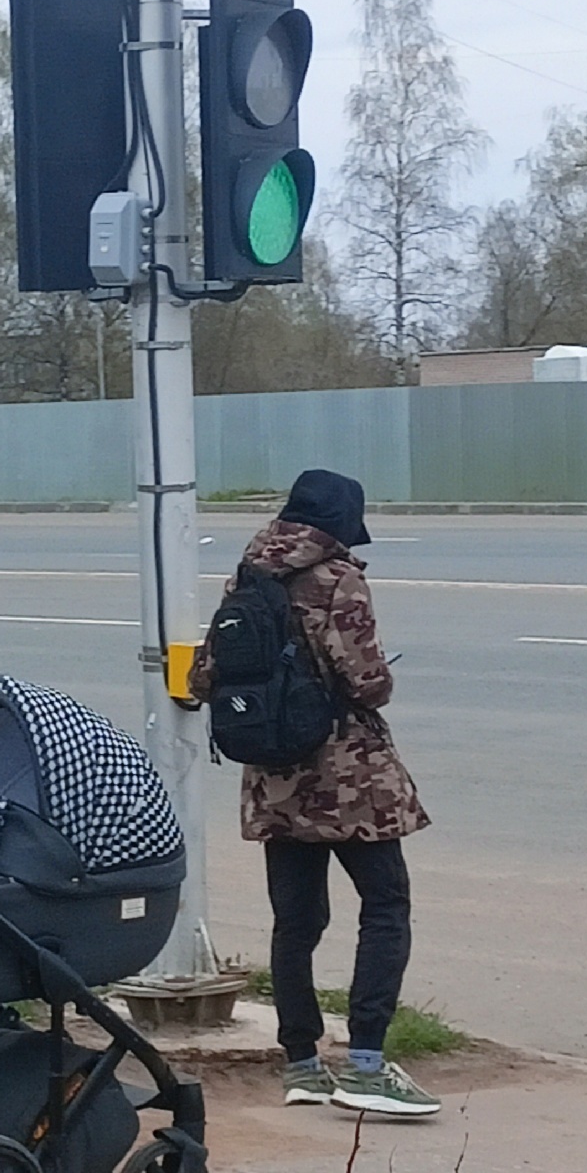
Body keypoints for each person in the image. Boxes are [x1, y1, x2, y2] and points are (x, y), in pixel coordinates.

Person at [192, 469, 438, 1117]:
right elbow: (365, 680)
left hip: (274, 776)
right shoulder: (337, 578)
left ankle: (301, 1063)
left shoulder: (248, 576)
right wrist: (379, 679)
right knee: (386, 904)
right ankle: (365, 1065)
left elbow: (207, 674)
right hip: (345, 775)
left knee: (296, 921)